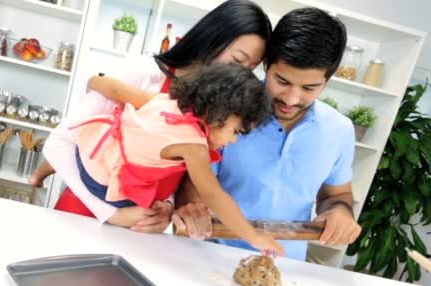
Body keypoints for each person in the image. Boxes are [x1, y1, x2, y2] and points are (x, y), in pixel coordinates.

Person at [32, 0, 272, 232]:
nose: (239, 75)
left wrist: (165, 209)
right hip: (82, 217)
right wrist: (113, 215)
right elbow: (58, 144)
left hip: (134, 235)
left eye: (249, 69)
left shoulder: (215, 115)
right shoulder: (144, 74)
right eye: (237, 61)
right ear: (211, 39)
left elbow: (165, 174)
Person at [174, 7, 362, 260]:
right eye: (282, 81)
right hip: (211, 256)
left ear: (327, 81)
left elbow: (336, 194)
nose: (291, 98)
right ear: (265, 64)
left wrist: (340, 211)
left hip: (287, 266)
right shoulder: (227, 111)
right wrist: (192, 207)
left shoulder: (339, 130)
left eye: (309, 87)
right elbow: (195, 181)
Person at [50, 63, 284, 255]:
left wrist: (92, 81)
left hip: (90, 156)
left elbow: (112, 88)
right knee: (150, 217)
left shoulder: (164, 101)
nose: (233, 141)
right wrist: (253, 236)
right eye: (236, 132)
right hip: (104, 186)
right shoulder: (194, 146)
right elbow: (214, 196)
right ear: (220, 115)